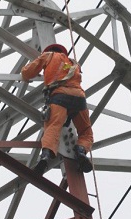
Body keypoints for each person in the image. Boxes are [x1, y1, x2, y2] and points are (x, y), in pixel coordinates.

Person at [21, 43, 93, 174]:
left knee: (53, 126)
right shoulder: (73, 63)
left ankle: (46, 156)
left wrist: (25, 75)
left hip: (60, 96)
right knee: (86, 131)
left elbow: (28, 72)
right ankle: (81, 150)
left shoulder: (48, 56)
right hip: (79, 97)